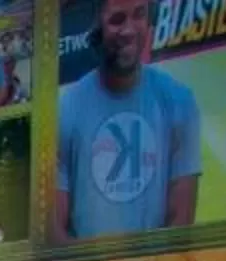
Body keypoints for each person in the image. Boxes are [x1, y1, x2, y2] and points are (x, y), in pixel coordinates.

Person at [54, 0, 202, 240]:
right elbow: (54, 230)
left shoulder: (180, 101)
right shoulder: (64, 109)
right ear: (96, 28)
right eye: (117, 19)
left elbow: (181, 222)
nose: (130, 30)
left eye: (139, 15)